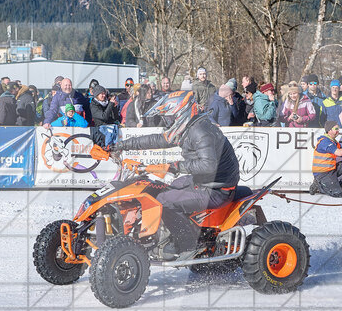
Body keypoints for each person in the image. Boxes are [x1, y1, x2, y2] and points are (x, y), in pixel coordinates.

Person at [97, 90, 241, 259]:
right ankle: (163, 234)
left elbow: (208, 165)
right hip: (203, 181)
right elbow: (156, 140)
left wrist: (173, 166)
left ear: (182, 113)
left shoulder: (201, 131)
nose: (167, 121)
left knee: (164, 202)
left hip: (217, 189)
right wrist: (121, 145)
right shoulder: (188, 127)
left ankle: (188, 245)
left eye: (170, 117)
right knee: (157, 190)